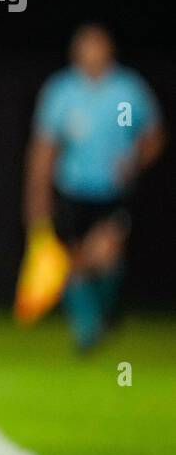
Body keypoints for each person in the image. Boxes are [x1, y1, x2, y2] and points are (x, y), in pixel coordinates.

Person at [23, 24, 164, 350]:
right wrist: (36, 198)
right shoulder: (61, 91)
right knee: (76, 261)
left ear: (109, 50)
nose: (91, 54)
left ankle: (105, 315)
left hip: (113, 191)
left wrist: (135, 161)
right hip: (72, 190)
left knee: (107, 254)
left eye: (97, 47)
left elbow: (153, 136)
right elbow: (44, 149)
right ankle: (88, 330)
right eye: (85, 47)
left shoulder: (127, 91)